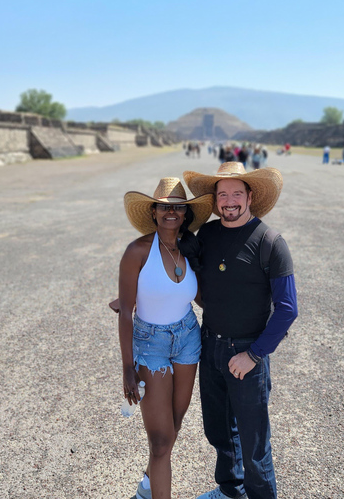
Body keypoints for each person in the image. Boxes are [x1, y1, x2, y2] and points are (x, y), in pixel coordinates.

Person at [182, 162, 298, 499]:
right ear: (215, 200)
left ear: (250, 196)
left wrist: (254, 354)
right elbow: (196, 282)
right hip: (211, 346)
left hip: (247, 352)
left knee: (254, 443)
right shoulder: (208, 235)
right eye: (223, 194)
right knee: (219, 430)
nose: (229, 201)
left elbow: (288, 309)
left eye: (236, 193)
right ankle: (231, 490)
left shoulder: (271, 243)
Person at [116, 178, 214, 499]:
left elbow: (199, 298)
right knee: (160, 441)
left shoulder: (190, 248)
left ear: (185, 214)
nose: (171, 212)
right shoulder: (137, 252)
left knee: (173, 426)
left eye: (178, 207)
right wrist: (128, 367)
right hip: (150, 344)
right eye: (164, 206)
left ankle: (147, 486)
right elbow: (126, 311)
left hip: (187, 337)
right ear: (154, 212)